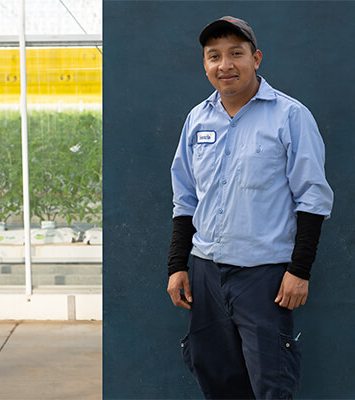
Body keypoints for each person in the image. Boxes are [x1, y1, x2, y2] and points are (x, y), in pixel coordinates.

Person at [167, 16, 333, 400]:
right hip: (206, 273)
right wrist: (178, 264)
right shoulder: (197, 120)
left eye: (236, 54)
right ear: (205, 64)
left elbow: (313, 197)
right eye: (214, 56)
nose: (225, 65)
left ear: (256, 58)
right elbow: (185, 198)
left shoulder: (290, 116)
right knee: (216, 377)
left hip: (265, 279)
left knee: (272, 384)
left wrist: (299, 270)